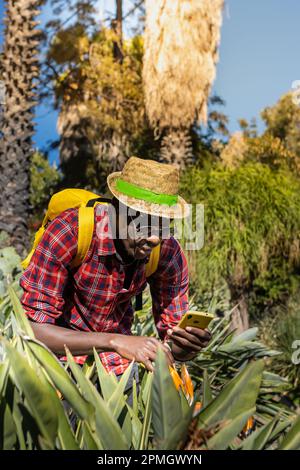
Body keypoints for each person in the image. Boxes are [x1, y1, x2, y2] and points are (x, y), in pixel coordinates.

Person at [19, 157, 211, 389]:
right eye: (143, 223)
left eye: (162, 225)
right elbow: (34, 330)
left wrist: (185, 346)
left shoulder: (167, 252)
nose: (154, 238)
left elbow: (172, 343)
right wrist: (113, 341)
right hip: (56, 358)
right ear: (116, 211)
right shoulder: (70, 231)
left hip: (117, 368)